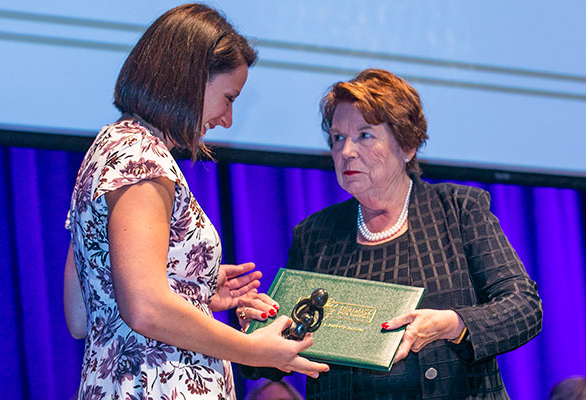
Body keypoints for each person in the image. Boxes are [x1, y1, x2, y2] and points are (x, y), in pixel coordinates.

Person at [63, 4, 328, 399]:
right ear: (189, 80)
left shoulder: (110, 147)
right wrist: (254, 348)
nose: (227, 118)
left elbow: (82, 315)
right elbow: (146, 309)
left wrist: (193, 287)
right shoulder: (142, 159)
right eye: (229, 97)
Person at [276, 68, 542, 399]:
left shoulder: (459, 210)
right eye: (337, 138)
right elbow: (282, 353)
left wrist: (455, 324)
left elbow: (524, 306)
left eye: (365, 135)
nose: (346, 152)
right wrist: (262, 324)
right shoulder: (314, 235)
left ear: (408, 144)